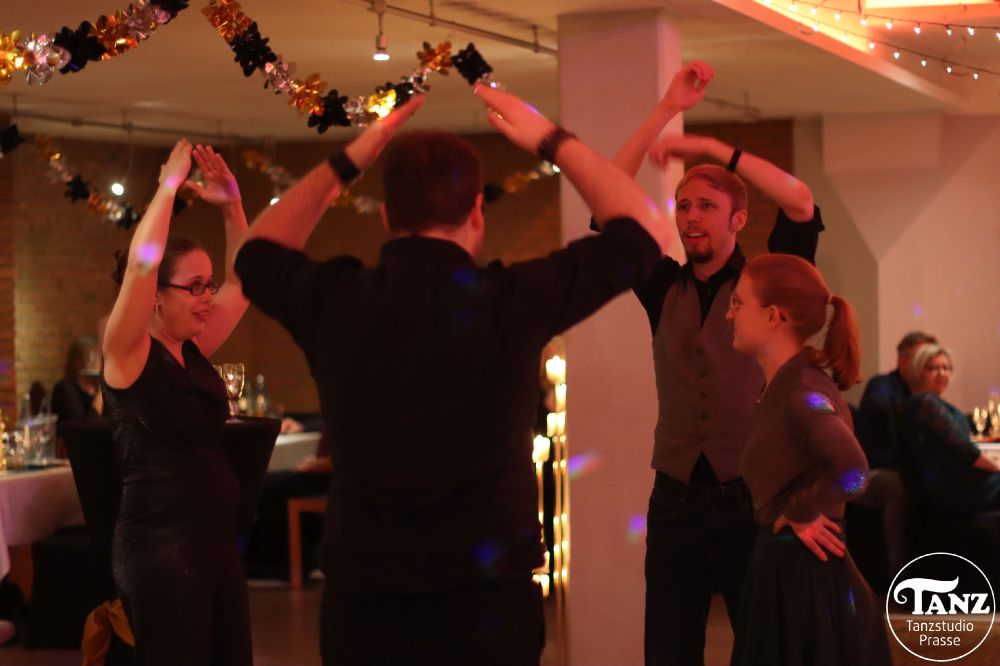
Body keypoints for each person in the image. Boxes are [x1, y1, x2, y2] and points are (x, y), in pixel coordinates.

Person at [233, 86, 670, 665]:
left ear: (386, 216)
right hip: (488, 604)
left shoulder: (338, 300)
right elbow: (644, 232)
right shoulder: (512, 301)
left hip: (365, 604)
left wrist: (350, 160)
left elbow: (254, 253)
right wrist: (549, 139)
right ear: (477, 213)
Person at [604, 61, 824, 665]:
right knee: (668, 652)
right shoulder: (662, 286)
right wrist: (665, 110)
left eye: (705, 206)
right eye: (683, 206)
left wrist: (710, 148)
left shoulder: (767, 283)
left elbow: (800, 200)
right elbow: (607, 190)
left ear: (737, 219)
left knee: (762, 648)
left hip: (752, 499)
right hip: (673, 501)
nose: (690, 217)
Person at [101, 142, 252, 665]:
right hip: (160, 550)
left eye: (208, 285)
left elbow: (244, 280)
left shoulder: (191, 349)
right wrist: (167, 187)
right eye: (195, 287)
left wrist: (232, 206)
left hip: (214, 543)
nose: (208, 296)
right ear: (157, 295)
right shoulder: (128, 353)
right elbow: (141, 266)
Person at [727, 253, 890, 666]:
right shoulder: (786, 385)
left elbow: (853, 472)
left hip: (802, 581)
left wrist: (798, 510)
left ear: (773, 316)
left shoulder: (801, 393)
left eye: (738, 303)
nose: (729, 314)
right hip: (792, 574)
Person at [853, 330, 937, 573]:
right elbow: (877, 405)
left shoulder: (927, 393)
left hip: (908, 469)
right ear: (903, 359)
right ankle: (899, 570)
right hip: (871, 471)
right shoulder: (884, 385)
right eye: (923, 358)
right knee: (897, 485)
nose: (928, 365)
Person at [899, 344, 1000, 513]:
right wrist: (996, 467)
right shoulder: (926, 403)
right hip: (956, 489)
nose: (941, 373)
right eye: (933, 368)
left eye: (945, 368)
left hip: (954, 484)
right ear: (919, 371)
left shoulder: (930, 404)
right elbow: (965, 451)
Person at [51, 336, 103, 422]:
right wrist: (100, 393)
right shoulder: (64, 388)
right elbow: (84, 424)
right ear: (77, 361)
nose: (98, 363)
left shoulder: (96, 386)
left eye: (98, 358)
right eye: (92, 358)